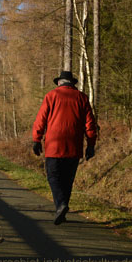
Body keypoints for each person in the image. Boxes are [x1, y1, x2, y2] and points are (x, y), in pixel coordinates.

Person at [32, 71, 97, 225]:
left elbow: (41, 119)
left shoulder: (51, 96)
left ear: (60, 82)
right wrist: (91, 145)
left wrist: (36, 139)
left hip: (54, 146)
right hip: (74, 147)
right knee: (68, 180)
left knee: (53, 176)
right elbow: (90, 124)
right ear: (72, 83)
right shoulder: (82, 98)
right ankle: (62, 208)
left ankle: (61, 205)